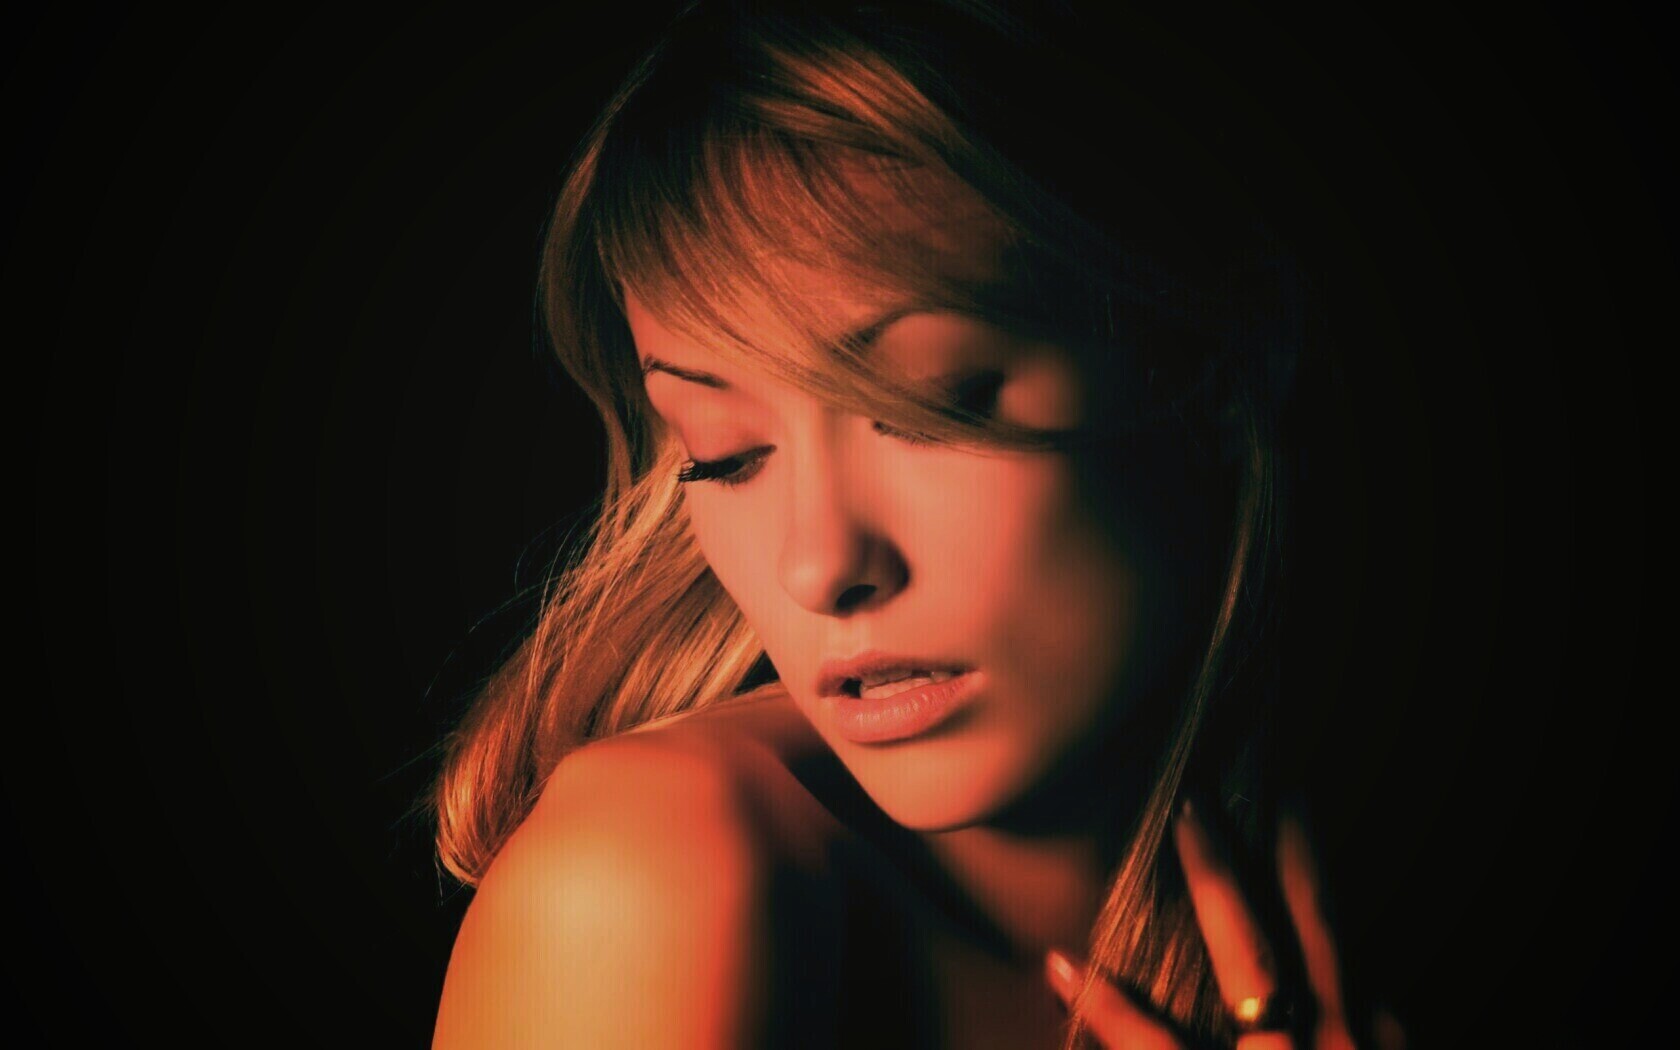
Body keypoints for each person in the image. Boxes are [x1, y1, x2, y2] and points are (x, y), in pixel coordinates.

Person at [428, 1, 1404, 1046]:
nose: (820, 564)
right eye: (725, 452)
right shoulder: (647, 875)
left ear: (1214, 366)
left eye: (931, 406)